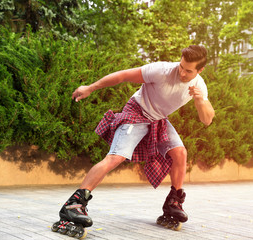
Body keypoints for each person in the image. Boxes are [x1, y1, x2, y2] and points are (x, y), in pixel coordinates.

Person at [51, 45, 215, 236]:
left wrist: (200, 101)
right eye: (181, 66)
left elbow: (207, 120)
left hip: (157, 120)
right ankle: (74, 205)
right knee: (116, 157)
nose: (182, 73)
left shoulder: (200, 87)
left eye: (189, 71)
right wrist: (91, 87)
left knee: (180, 152)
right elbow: (123, 76)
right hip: (136, 113)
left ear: (200, 70)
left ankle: (174, 203)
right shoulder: (161, 70)